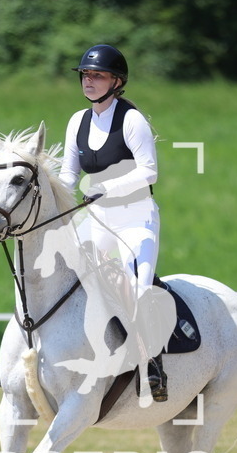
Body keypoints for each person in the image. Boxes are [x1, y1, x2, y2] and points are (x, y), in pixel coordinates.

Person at [58, 43, 169, 403]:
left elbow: (149, 170)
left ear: (116, 81)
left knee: (137, 288)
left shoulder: (131, 119)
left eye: (97, 75)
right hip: (97, 219)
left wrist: (107, 186)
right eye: (85, 75)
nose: (89, 81)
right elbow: (68, 176)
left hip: (135, 220)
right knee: (54, 275)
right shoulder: (78, 120)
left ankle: (153, 365)